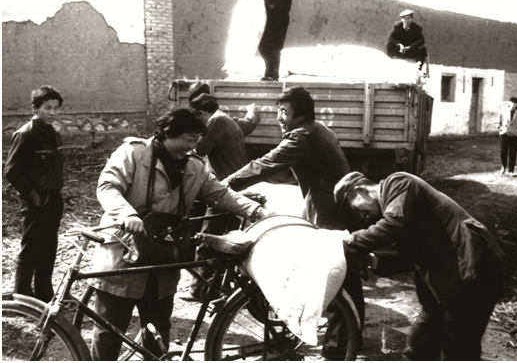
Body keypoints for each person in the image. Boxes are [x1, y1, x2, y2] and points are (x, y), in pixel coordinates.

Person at [89, 108, 272, 360]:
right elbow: (108, 186)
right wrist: (126, 214)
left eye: (197, 138)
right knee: (109, 330)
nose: (193, 144)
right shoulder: (133, 153)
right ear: (167, 133)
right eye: (189, 138)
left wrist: (254, 210)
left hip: (164, 260)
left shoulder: (194, 166)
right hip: (123, 256)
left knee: (157, 332)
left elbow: (219, 193)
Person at [224, 86, 366, 341]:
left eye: (284, 112)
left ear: (300, 115)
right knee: (342, 272)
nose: (279, 117)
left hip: (329, 211)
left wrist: (225, 184)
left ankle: (341, 342)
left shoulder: (302, 136)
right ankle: (346, 336)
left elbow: (266, 164)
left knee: (337, 273)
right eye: (278, 111)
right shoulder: (317, 128)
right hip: (336, 206)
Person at [334, 171, 505, 360]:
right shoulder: (393, 210)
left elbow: (394, 224)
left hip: (473, 268)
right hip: (447, 280)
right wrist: (373, 260)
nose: (362, 216)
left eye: (355, 208)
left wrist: (347, 243)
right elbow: (408, 257)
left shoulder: (398, 183)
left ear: (361, 190)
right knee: (420, 345)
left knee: (458, 348)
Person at [183, 92, 261, 301]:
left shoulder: (216, 121)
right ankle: (222, 286)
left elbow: (199, 150)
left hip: (223, 189)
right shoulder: (227, 120)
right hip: (236, 187)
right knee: (227, 238)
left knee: (207, 239)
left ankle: (200, 290)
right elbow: (247, 125)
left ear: (202, 113)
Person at [5, 85, 64, 303]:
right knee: (31, 248)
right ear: (35, 108)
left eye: (56, 108)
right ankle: (22, 297)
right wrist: (32, 194)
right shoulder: (26, 134)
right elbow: (11, 171)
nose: (52, 113)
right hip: (36, 201)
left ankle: (44, 295)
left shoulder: (52, 132)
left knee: (49, 248)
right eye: (47, 108)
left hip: (53, 199)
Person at [497, 96, 517, 176]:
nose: (513, 104)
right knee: (503, 152)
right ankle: (503, 166)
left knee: (513, 153)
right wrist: (500, 127)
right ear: (509, 103)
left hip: (514, 136)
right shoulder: (503, 112)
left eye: (515, 103)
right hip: (504, 134)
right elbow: (497, 122)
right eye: (512, 102)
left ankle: (511, 170)